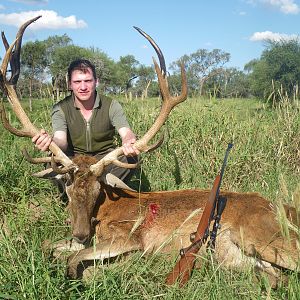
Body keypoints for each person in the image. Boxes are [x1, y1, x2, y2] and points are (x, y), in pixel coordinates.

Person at [32, 59, 139, 184]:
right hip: (74, 160)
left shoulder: (111, 105)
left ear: (96, 82)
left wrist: (128, 141)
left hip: (103, 159)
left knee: (131, 157)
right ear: (70, 84)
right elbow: (61, 141)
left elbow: (126, 132)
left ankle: (102, 190)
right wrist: (50, 142)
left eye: (88, 81)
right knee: (52, 161)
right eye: (77, 82)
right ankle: (76, 194)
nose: (83, 87)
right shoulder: (60, 108)